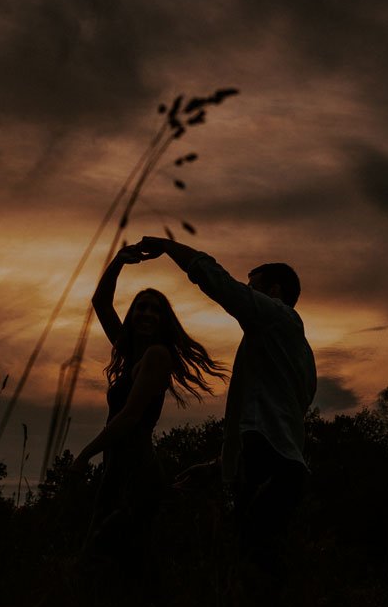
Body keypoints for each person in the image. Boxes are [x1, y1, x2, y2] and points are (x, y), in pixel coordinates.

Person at [131, 237, 316, 573]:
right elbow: (277, 419)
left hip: (271, 464)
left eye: (252, 288)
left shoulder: (278, 317)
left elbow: (218, 282)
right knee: (259, 561)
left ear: (273, 292)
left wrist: (168, 246)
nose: (245, 293)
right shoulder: (292, 350)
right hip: (283, 466)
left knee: (254, 567)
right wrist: (221, 463)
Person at [74, 243, 225, 556]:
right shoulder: (130, 354)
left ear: (163, 321)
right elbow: (100, 302)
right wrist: (117, 262)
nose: (146, 313)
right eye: (141, 307)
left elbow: (130, 417)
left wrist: (84, 454)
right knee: (102, 556)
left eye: (155, 309)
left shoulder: (157, 356)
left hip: (136, 469)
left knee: (108, 556)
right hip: (116, 466)